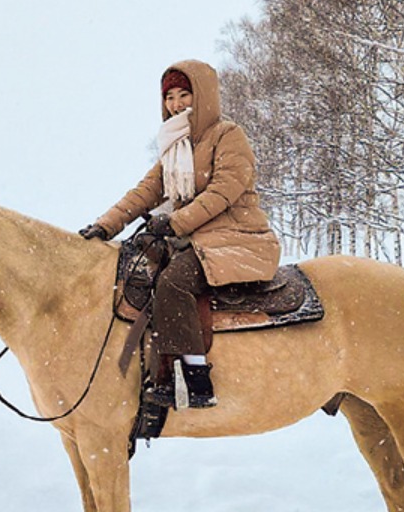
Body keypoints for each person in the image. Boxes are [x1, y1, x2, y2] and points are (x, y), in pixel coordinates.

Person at [79, 59, 280, 408]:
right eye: (169, 97)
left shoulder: (228, 135)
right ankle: (147, 369)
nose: (176, 104)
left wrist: (174, 223)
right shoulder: (175, 147)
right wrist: (105, 225)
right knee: (135, 270)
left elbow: (223, 191)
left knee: (173, 282)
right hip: (197, 239)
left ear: (203, 96)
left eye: (184, 94)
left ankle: (196, 380)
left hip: (237, 238)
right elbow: (145, 192)